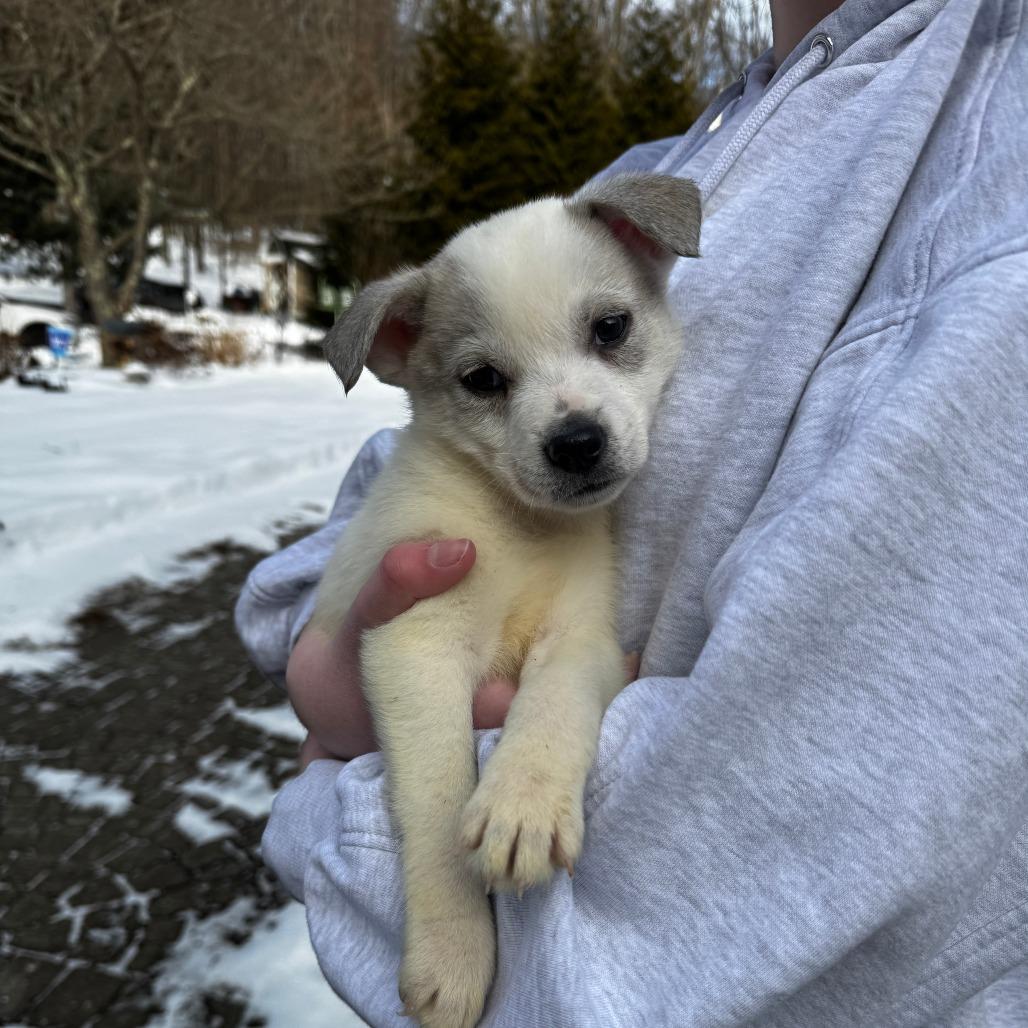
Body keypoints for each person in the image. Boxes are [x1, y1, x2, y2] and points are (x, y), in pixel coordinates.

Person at [236, 0, 1028, 1023]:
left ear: (651, 263)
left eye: (605, 331)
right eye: (488, 378)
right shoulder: (685, 144)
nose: (568, 419)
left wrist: (326, 813)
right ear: (401, 355)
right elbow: (361, 594)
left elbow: (584, 663)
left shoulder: (986, 164)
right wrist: (324, 659)